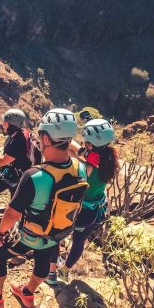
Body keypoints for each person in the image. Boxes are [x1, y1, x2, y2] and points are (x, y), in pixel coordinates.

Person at [0, 108, 87, 308]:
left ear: (45, 138)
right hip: (57, 233)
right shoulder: (80, 168)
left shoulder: (34, 176)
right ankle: (27, 293)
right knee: (43, 256)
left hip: (30, 234)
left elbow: (12, 213)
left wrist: (0, 234)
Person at [47, 118, 118, 285]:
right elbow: (74, 149)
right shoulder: (110, 158)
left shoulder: (87, 167)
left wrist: (82, 153)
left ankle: (51, 275)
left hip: (79, 211)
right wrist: (84, 152)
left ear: (91, 145)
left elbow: (68, 147)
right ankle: (65, 272)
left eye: (85, 141)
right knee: (79, 241)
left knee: (55, 236)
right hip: (98, 210)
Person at [0, 108, 31, 214]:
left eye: (5, 122)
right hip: (20, 173)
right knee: (14, 202)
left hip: (13, 175)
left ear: (12, 124)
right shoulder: (20, 133)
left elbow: (1, 161)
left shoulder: (18, 141)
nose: (2, 124)